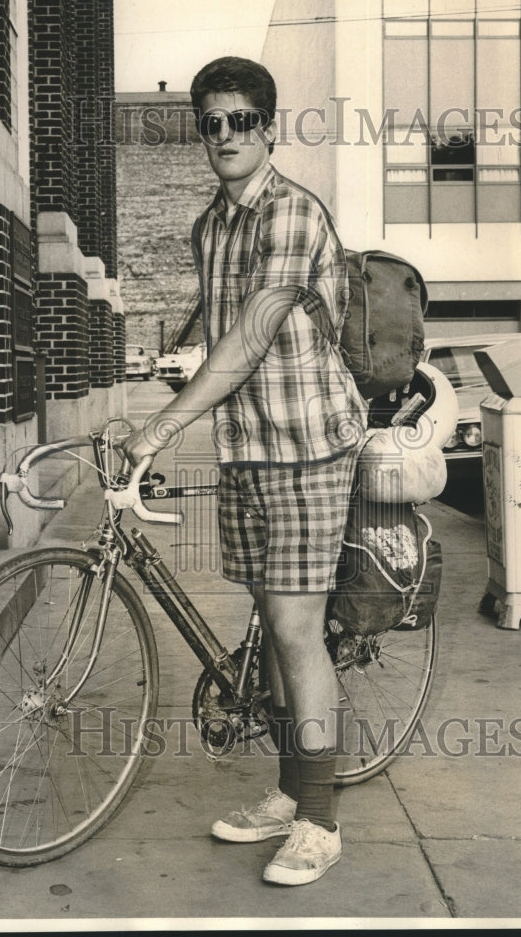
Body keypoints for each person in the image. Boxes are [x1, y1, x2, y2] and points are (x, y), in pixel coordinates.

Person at [122, 56, 367, 886]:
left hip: (306, 444)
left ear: (266, 128)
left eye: (239, 120)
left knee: (295, 631)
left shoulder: (292, 214)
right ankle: (289, 790)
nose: (223, 135)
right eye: (209, 121)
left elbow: (253, 334)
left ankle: (321, 824)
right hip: (246, 445)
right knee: (266, 621)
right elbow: (221, 331)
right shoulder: (208, 226)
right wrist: (178, 369)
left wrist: (161, 425)